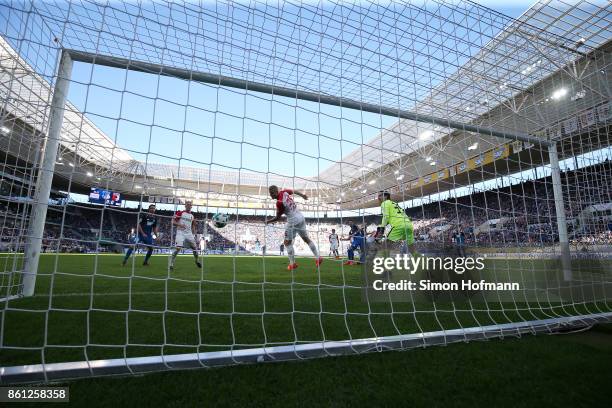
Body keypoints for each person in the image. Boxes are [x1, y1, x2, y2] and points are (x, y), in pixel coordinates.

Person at [265, 185, 322, 270]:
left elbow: (277, 218)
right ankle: (318, 257)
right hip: (301, 217)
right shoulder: (284, 192)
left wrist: (268, 221)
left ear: (275, 192)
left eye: (271, 193)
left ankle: (292, 264)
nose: (270, 195)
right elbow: (294, 191)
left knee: (287, 242)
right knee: (306, 239)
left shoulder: (279, 202)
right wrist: (303, 195)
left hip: (292, 221)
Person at [169, 201, 202, 270]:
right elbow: (172, 221)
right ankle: (171, 263)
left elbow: (193, 225)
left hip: (189, 234)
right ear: (185, 206)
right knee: (178, 248)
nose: (189, 206)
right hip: (180, 232)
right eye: (187, 204)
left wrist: (194, 233)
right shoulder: (180, 213)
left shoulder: (192, 216)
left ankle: (197, 261)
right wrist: (180, 224)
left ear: (191, 206)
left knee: (195, 249)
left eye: (190, 205)